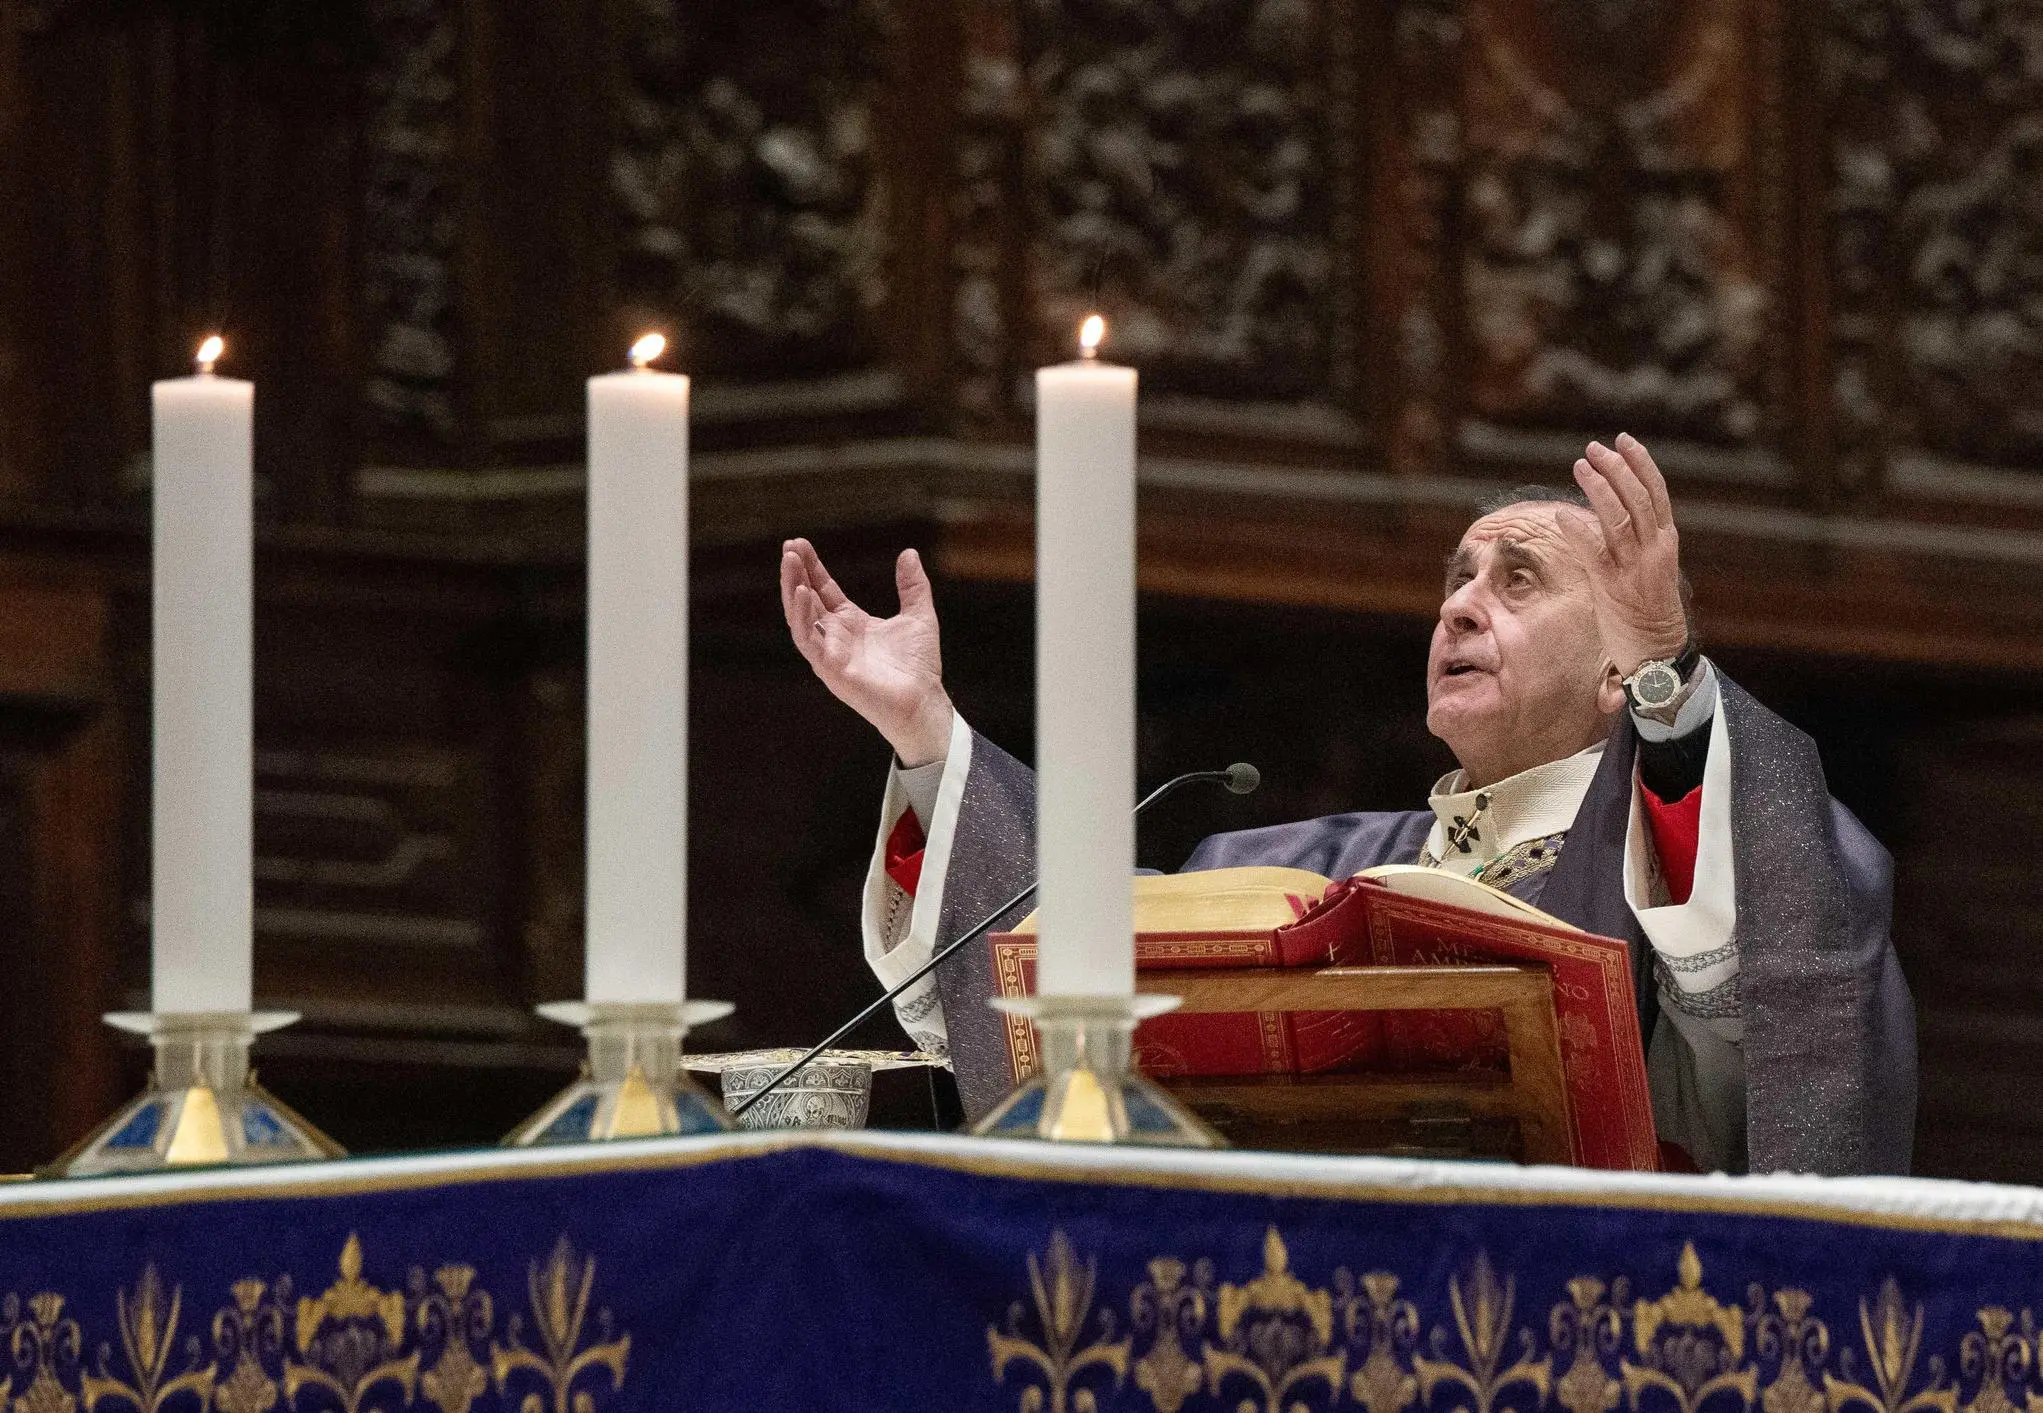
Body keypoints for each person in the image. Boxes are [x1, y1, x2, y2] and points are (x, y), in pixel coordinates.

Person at [778, 434, 1916, 1175]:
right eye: (1456, 579)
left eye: (1518, 580)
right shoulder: (1303, 865)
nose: (1460, 608)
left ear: (1626, 662)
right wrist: (926, 736)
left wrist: (1673, 674)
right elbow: (1050, 996)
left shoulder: (1682, 857)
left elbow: (1774, 979)